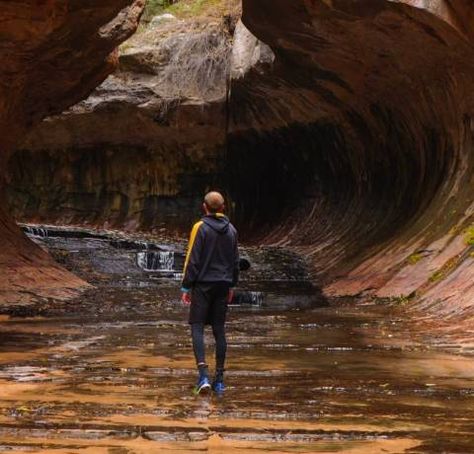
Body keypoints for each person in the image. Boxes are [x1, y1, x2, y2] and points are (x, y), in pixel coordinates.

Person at [181, 191, 239, 395]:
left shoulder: (201, 227)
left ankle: (203, 376)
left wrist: (186, 286)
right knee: (219, 330)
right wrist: (232, 285)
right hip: (223, 285)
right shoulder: (231, 230)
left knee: (197, 327)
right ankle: (220, 380)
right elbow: (235, 262)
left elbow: (193, 259)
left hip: (203, 284)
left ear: (204, 207)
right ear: (223, 208)